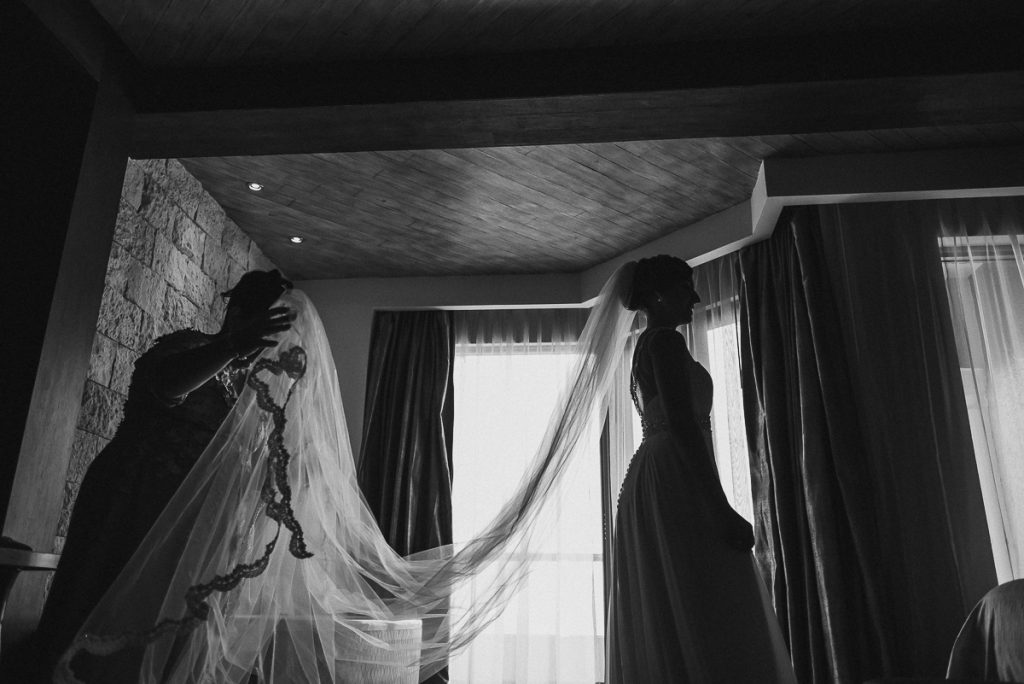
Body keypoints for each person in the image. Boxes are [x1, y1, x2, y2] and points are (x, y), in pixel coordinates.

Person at [35, 269, 294, 681]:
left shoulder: (253, 388)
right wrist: (231, 346)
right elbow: (166, 385)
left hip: (188, 523)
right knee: (97, 602)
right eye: (263, 328)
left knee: (160, 626)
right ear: (238, 313)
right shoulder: (191, 346)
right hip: (131, 497)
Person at [606, 255, 796, 683]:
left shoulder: (647, 345)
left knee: (680, 590)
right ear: (658, 295)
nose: (695, 297)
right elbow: (683, 425)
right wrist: (721, 508)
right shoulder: (665, 343)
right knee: (704, 587)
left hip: (654, 473)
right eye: (684, 288)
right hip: (675, 472)